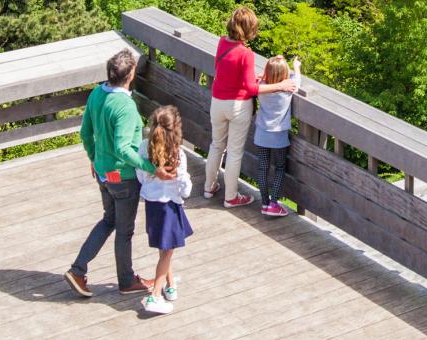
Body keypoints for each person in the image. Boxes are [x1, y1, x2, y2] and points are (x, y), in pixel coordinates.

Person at [66, 49, 175, 298]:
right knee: (123, 230)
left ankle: (78, 270)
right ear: (131, 74)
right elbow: (123, 148)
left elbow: (85, 133)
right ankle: (126, 281)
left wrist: (94, 158)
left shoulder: (97, 93)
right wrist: (151, 169)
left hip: (104, 173)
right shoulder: (124, 106)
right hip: (122, 176)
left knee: (109, 220)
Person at [205, 6, 297, 208]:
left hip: (217, 102)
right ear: (249, 29)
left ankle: (209, 187)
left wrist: (253, 78)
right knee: (235, 152)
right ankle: (231, 197)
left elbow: (228, 71)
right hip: (237, 106)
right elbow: (251, 88)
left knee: (216, 145)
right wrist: (280, 85)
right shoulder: (246, 53)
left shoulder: (222, 43)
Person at [135, 106, 192, 314]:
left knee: (164, 248)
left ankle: (170, 285)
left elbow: (141, 177)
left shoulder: (143, 147)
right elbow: (186, 191)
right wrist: (180, 178)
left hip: (152, 205)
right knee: (167, 251)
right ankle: (155, 296)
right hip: (170, 206)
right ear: (176, 129)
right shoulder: (178, 154)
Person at [254, 56, 302, 217]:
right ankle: (274, 203)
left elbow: (259, 80)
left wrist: (268, 71)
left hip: (262, 133)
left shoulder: (262, 86)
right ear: (285, 74)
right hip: (279, 135)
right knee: (280, 167)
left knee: (263, 167)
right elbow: (298, 80)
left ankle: (264, 202)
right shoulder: (287, 90)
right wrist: (296, 67)